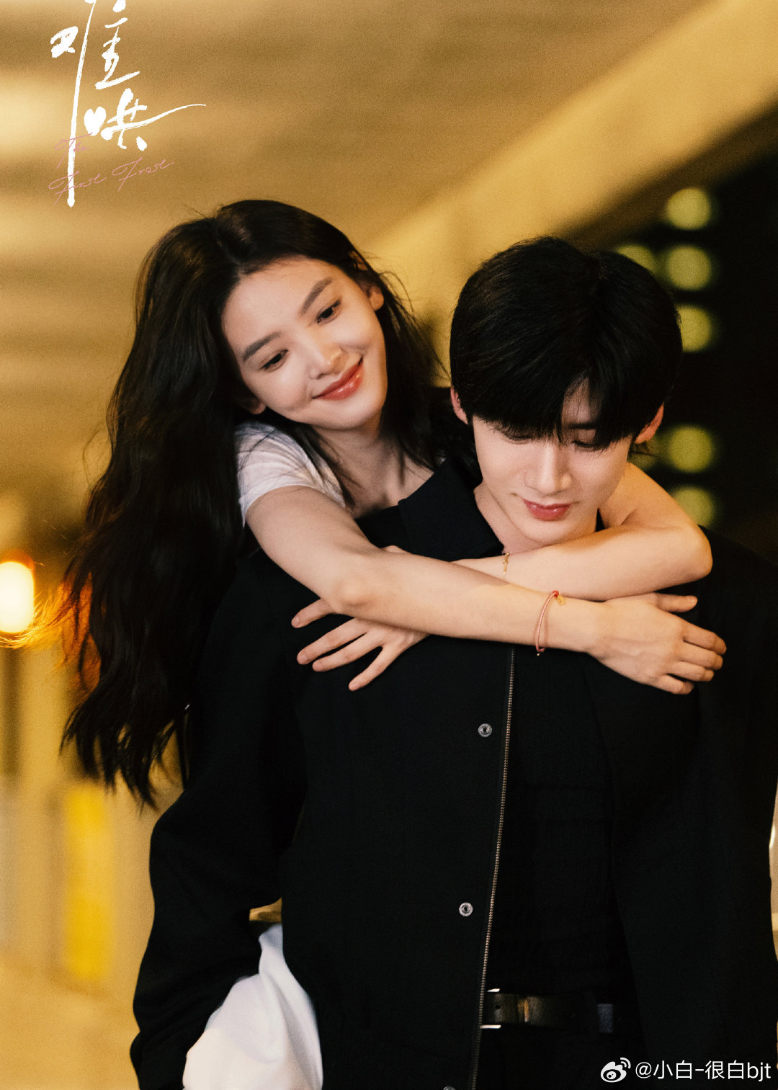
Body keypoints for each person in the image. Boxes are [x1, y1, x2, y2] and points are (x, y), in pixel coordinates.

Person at [131, 237, 777, 1090]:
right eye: (518, 432)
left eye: (589, 440)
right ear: (463, 403)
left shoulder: (730, 604)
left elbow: (730, 886)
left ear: (647, 422)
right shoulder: (317, 601)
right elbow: (209, 865)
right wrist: (178, 1057)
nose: (549, 476)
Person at [56, 200, 717, 814]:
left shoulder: (485, 424)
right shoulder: (261, 463)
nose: (325, 358)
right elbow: (357, 584)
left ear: (366, 284)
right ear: (246, 391)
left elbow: (680, 546)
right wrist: (600, 630)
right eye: (275, 357)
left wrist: (425, 606)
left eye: (326, 311)